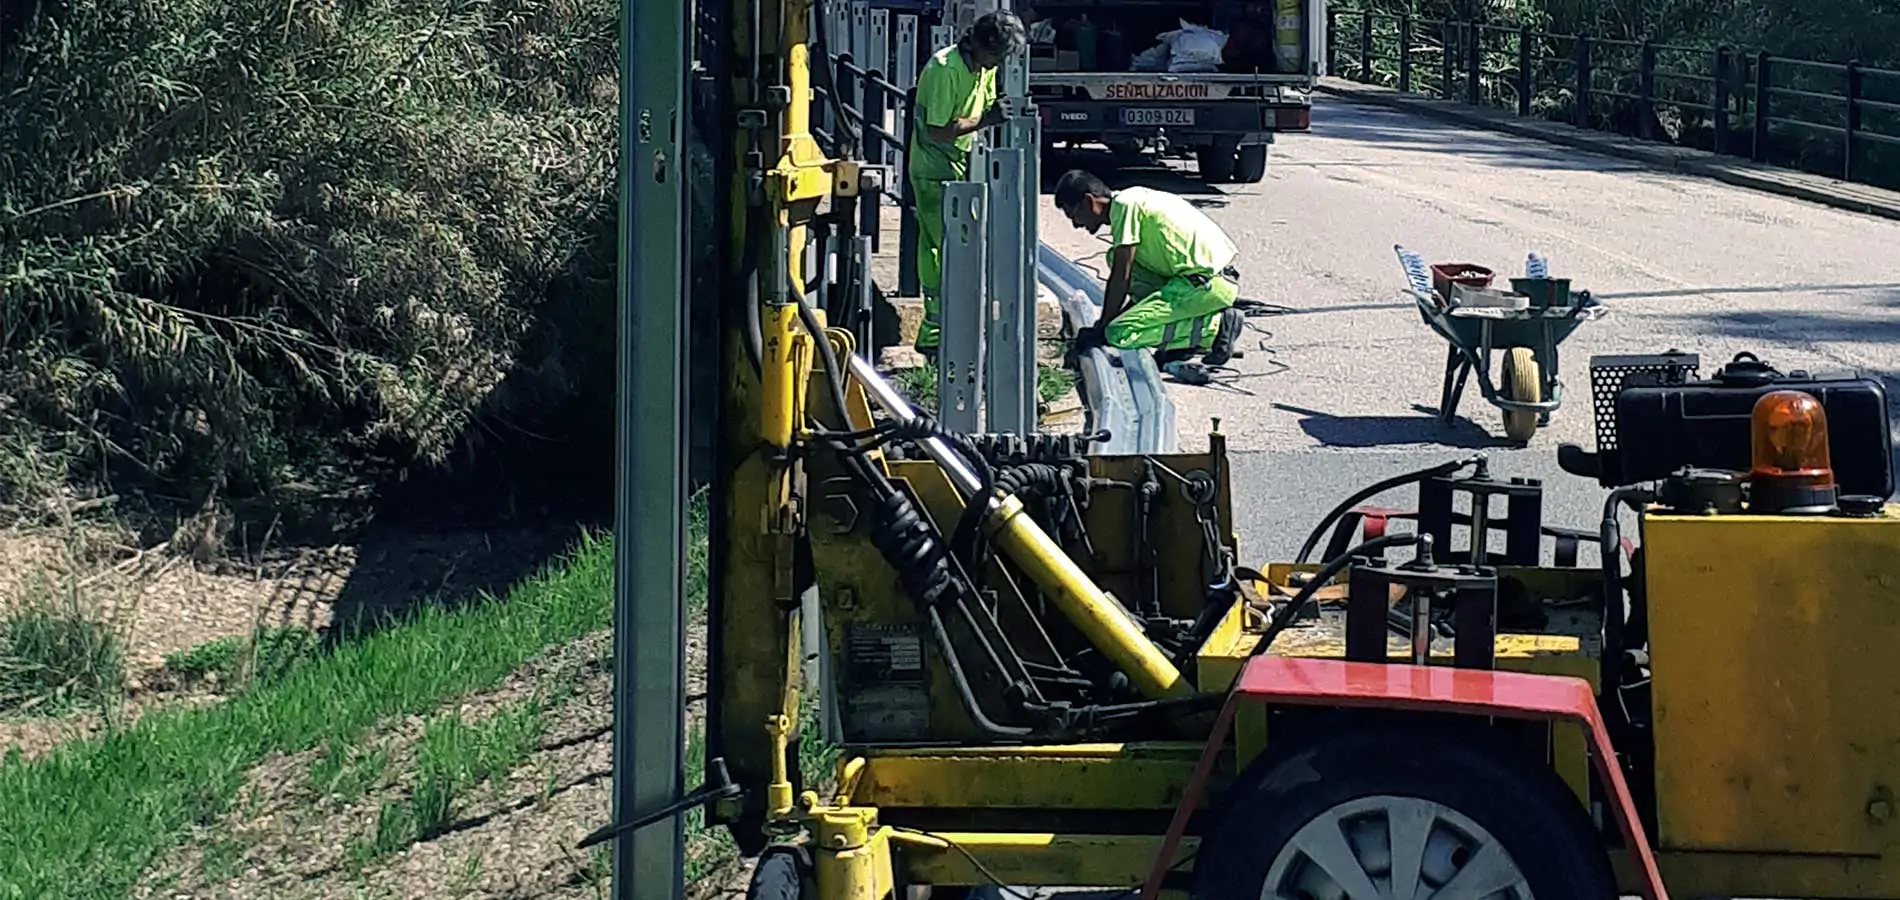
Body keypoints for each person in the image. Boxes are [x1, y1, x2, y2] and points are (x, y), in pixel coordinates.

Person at [908, 10, 1027, 360]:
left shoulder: (983, 68)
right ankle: (937, 331)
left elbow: (986, 104)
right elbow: (937, 130)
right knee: (944, 249)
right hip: (933, 169)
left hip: (959, 165)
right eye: (997, 57)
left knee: (960, 245)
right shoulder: (946, 69)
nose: (998, 65)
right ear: (979, 45)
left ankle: (952, 324)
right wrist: (985, 120)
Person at [1052, 170, 1245, 367]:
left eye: (1073, 215)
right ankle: (1183, 341)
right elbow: (1131, 281)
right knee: (1113, 256)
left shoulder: (1125, 207)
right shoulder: (1131, 199)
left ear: (1089, 202)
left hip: (1206, 283)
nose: (1076, 225)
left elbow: (1121, 276)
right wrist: (1113, 319)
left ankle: (1214, 328)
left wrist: (1103, 328)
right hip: (1208, 280)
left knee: (1120, 333)